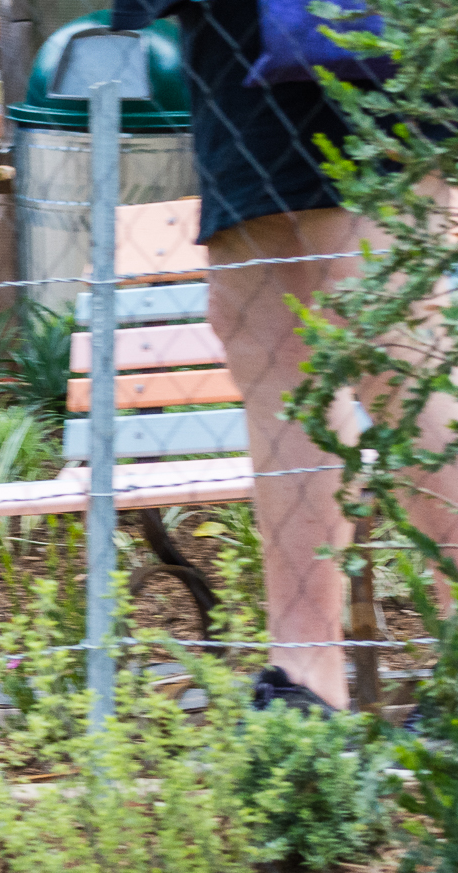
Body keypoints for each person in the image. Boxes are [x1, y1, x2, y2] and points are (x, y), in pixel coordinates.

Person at [111, 0, 458, 710]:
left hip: (356, 20)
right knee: (262, 326)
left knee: (380, 314)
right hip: (232, 25)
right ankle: (304, 685)